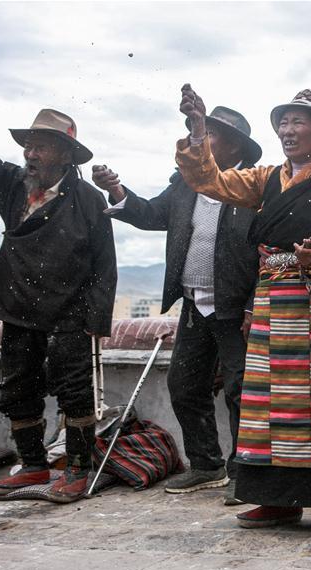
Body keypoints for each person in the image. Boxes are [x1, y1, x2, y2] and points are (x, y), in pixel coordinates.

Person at [175, 84, 311, 532]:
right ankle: (278, 500)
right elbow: (209, 180)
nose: (287, 129)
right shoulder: (265, 180)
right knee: (269, 405)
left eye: (298, 121)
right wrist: (199, 130)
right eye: (283, 121)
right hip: (272, 306)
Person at [91, 106, 262, 503]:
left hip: (236, 309)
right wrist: (117, 191)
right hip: (194, 305)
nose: (199, 142)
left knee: (242, 390)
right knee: (184, 384)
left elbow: (266, 252)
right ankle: (207, 465)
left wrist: (255, 304)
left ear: (235, 146)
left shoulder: (253, 189)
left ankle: (244, 473)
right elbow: (151, 214)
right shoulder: (186, 186)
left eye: (212, 136)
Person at [0, 109, 117, 502]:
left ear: (64, 153)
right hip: (18, 306)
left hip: (71, 311)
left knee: (75, 391)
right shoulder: (13, 185)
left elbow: (104, 264)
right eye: (28, 145)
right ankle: (33, 465)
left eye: (41, 146)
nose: (31, 153)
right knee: (17, 387)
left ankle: (78, 469)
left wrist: (97, 319)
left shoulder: (89, 199)